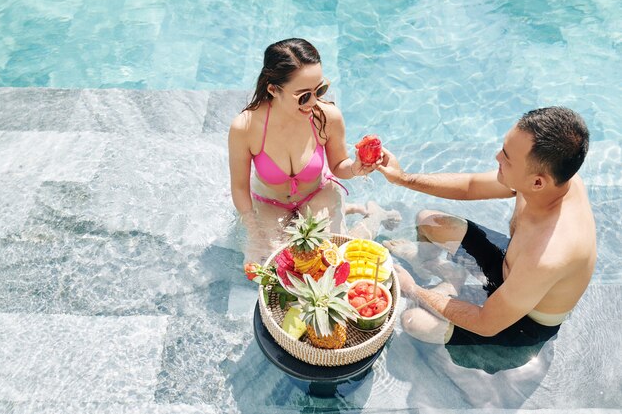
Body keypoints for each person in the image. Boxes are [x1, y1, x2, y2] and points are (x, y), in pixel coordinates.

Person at [377, 106, 596, 346]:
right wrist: (402, 178)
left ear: (537, 182)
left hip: (524, 320)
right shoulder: (550, 178)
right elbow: (471, 185)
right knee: (429, 221)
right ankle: (440, 271)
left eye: (506, 157)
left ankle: (441, 289)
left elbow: (485, 323)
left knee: (413, 321)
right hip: (510, 266)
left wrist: (413, 289)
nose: (496, 157)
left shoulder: (550, 253)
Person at [228, 38, 396, 263]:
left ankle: (375, 215)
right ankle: (348, 210)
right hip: (270, 203)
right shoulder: (246, 127)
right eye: (304, 95)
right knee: (270, 265)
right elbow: (239, 188)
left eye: (320, 89)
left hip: (316, 194)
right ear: (273, 89)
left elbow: (338, 167)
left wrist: (356, 167)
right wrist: (254, 231)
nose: (315, 102)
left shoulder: (327, 116)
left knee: (330, 259)